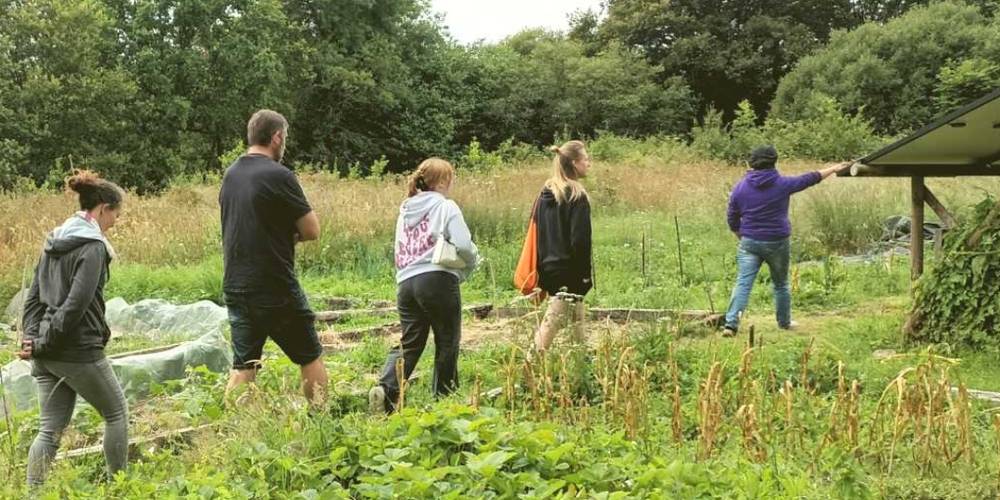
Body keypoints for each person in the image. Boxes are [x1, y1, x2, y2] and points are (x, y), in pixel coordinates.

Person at [20, 170, 128, 488]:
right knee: (117, 413)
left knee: (49, 430)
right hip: (77, 350)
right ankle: (120, 488)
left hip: (48, 352)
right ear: (103, 208)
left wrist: (32, 338)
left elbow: (34, 299)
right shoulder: (92, 247)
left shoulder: (54, 239)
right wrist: (40, 343)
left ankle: (32, 495)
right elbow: (75, 306)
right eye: (116, 214)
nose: (116, 221)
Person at [219, 109, 328, 404]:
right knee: (309, 354)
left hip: (236, 283)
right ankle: (321, 421)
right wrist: (290, 234)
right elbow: (312, 229)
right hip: (274, 284)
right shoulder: (279, 175)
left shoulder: (231, 175)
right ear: (277, 137)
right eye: (285, 137)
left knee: (244, 364)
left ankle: (232, 431)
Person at [369, 158, 479, 414]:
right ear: (443, 181)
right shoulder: (446, 206)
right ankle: (444, 401)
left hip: (406, 282)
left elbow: (398, 248)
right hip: (437, 278)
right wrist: (471, 261)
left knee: (410, 342)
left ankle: (385, 391)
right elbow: (462, 244)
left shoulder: (404, 211)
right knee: (447, 339)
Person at [723, 145, 845, 336]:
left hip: (750, 242)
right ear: (774, 161)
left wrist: (740, 234)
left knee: (743, 283)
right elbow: (810, 179)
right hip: (777, 241)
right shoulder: (782, 184)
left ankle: (730, 324)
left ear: (751, 163)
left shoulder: (740, 187)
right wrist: (833, 168)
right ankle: (784, 323)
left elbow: (732, 217)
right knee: (780, 284)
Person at [533, 140, 593, 352]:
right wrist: (585, 274)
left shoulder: (544, 194)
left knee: (577, 316)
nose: (589, 163)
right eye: (586, 159)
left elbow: (537, 233)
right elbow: (580, 241)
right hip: (569, 270)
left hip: (548, 266)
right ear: (575, 163)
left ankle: (582, 360)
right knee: (550, 324)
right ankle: (528, 369)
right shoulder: (577, 195)